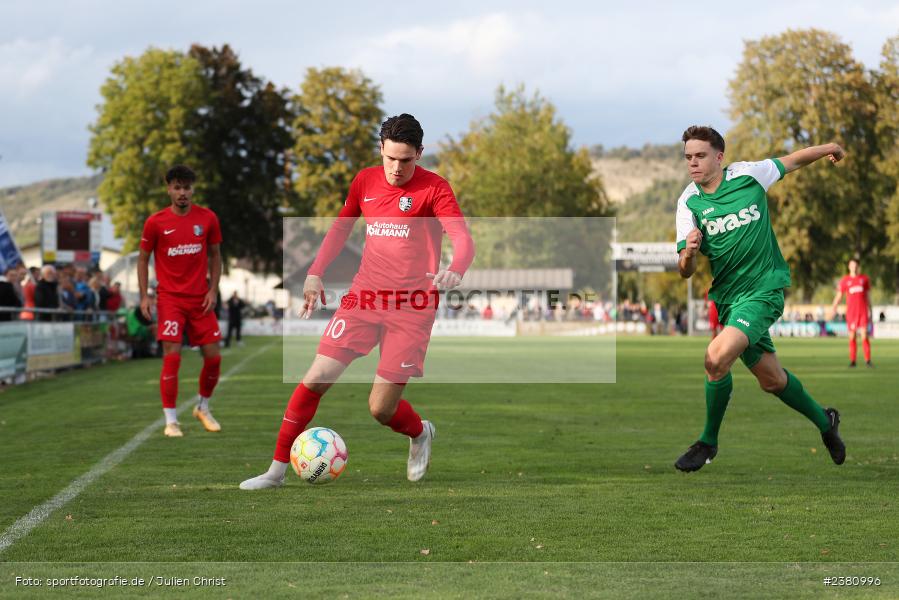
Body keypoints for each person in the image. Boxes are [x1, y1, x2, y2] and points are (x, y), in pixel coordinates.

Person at [240, 114, 475, 490]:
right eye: (391, 158)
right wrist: (315, 272)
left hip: (412, 308)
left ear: (419, 153)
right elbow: (340, 228)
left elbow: (463, 239)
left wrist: (456, 269)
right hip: (364, 298)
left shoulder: (436, 188)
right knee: (315, 378)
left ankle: (419, 432)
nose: (397, 168)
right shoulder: (364, 180)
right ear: (380, 149)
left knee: (381, 409)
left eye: (406, 160)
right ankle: (276, 472)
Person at [673, 125, 845, 472]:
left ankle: (707, 442)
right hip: (731, 301)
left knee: (715, 357)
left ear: (719, 157)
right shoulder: (688, 202)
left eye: (700, 156)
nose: (693, 163)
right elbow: (684, 271)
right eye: (688, 157)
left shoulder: (748, 175)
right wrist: (689, 252)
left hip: (765, 290)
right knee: (772, 381)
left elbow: (793, 160)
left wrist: (830, 147)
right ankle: (825, 421)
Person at [138, 165, 224, 438]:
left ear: (192, 189)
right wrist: (144, 296)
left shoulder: (207, 218)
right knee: (172, 356)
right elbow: (143, 258)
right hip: (170, 300)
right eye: (177, 187)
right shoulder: (155, 222)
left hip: (200, 300)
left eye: (187, 187)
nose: (182, 192)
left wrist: (213, 290)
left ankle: (203, 407)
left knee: (214, 357)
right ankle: (171, 421)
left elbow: (216, 255)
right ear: (169, 190)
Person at [830, 258, 872, 368]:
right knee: (852, 336)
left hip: (863, 311)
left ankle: (868, 360)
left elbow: (868, 296)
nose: (854, 267)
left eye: (855, 265)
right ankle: (853, 361)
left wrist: (870, 310)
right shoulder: (845, 280)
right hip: (851, 312)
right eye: (852, 265)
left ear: (858, 266)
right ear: (849, 267)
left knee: (864, 335)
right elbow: (839, 296)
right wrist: (833, 307)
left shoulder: (864, 279)